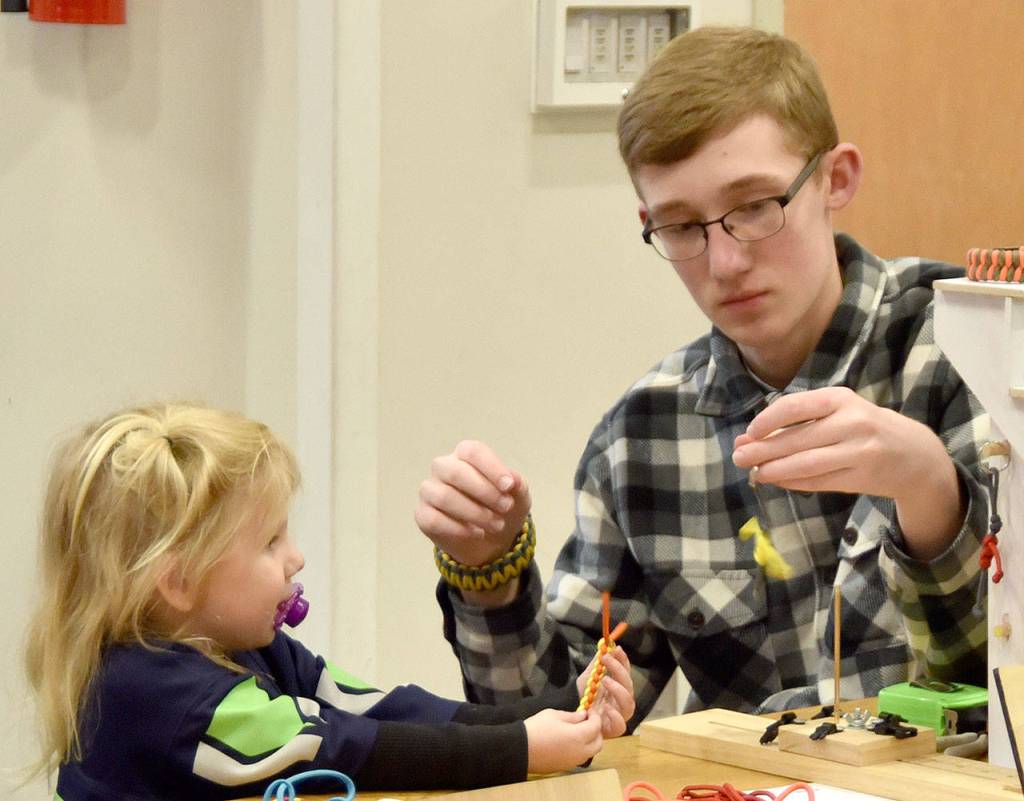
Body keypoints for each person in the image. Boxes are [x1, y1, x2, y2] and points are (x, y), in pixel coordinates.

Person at [415, 26, 989, 727]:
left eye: (754, 206)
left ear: (835, 179)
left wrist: (931, 490)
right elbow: (561, 729)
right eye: (682, 226)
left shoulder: (978, 349)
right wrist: (492, 571)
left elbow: (996, 675)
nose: (724, 262)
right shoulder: (641, 437)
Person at [24, 403, 634, 800]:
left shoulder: (248, 650)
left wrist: (563, 707)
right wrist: (522, 748)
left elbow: (383, 709)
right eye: (269, 541)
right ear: (178, 581)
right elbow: (353, 747)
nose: (296, 558)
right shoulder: (156, 692)